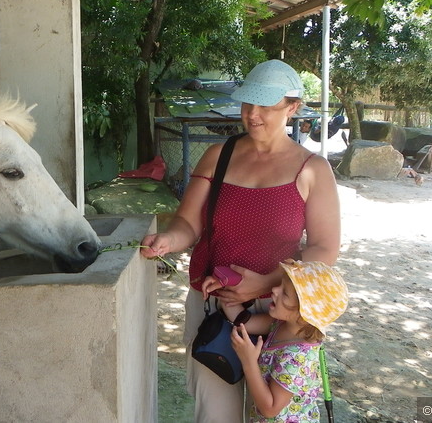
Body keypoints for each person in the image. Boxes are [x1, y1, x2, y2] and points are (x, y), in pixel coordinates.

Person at [140, 59, 341, 422]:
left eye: (266, 106)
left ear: (293, 107)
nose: (253, 115)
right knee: (215, 415)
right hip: (217, 307)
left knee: (272, 414)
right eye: (248, 103)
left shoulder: (312, 169)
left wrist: (266, 284)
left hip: (282, 314)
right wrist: (169, 238)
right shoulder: (219, 156)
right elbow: (188, 220)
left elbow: (324, 248)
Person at [216, 259, 348, 422]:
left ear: (303, 313)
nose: (274, 290)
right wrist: (223, 291)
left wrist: (248, 361)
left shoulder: (297, 359)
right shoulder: (281, 324)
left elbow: (270, 409)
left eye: (284, 292)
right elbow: (245, 322)